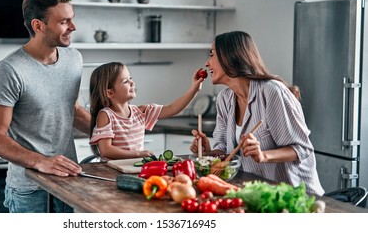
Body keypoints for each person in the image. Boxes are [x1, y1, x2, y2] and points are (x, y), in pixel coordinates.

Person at [0, 0, 91, 213]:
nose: (73, 27)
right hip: (29, 190)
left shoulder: (74, 59)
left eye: (71, 19)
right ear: (38, 25)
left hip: (67, 182)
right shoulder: (10, 69)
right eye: (64, 22)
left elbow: (72, 110)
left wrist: (112, 134)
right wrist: (41, 161)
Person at [189, 31, 325, 196]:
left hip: (294, 197)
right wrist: (208, 152)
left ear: (230, 56)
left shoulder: (271, 92)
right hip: (255, 193)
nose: (207, 63)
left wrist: (263, 156)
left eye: (212, 55)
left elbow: (302, 149)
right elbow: (226, 154)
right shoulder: (224, 99)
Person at [89, 62, 204, 160]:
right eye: (125, 81)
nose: (132, 83)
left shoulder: (141, 112)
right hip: (111, 171)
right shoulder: (106, 115)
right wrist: (138, 154)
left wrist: (194, 89)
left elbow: (172, 109)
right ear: (110, 93)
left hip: (134, 168)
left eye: (131, 78)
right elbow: (106, 151)